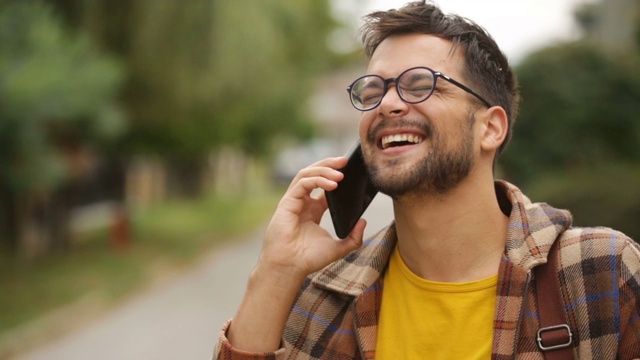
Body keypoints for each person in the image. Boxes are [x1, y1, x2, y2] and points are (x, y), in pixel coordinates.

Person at [213, 1, 640, 358]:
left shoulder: (599, 273)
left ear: (490, 128)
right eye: (372, 90)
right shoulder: (323, 298)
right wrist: (276, 269)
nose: (388, 104)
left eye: (421, 85)